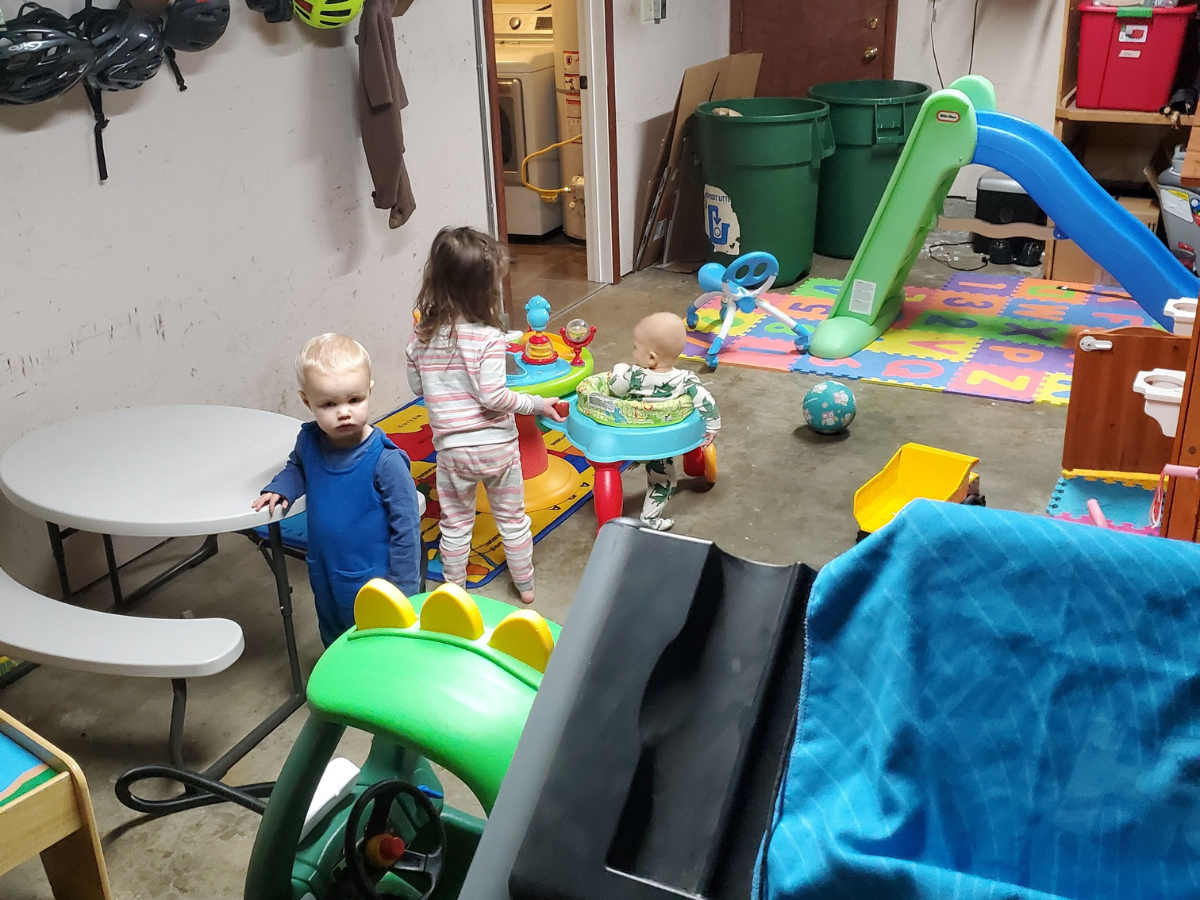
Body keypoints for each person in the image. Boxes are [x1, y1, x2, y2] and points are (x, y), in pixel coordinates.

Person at [406, 226, 565, 606]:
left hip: (453, 453)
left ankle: (454, 593)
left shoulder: (421, 338)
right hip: (496, 449)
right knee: (512, 520)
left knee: (456, 524)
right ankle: (526, 588)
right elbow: (494, 396)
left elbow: (417, 388)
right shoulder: (489, 338)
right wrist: (538, 404)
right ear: (484, 290)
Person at [253, 333, 422, 647]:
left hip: (374, 577)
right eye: (329, 404)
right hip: (325, 569)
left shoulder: (385, 462)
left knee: (376, 640)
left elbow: (407, 529)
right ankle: (339, 680)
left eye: (354, 400)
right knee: (333, 634)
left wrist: (405, 592)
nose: (344, 411)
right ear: (307, 402)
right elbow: (299, 467)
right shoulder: (309, 442)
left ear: (368, 392)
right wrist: (282, 488)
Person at [608, 311, 720, 532]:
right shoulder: (684, 380)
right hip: (663, 443)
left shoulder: (634, 376)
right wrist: (712, 426)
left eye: (634, 347)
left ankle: (634, 461)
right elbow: (706, 401)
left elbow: (615, 388)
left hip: (633, 437)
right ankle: (650, 518)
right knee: (663, 481)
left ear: (651, 358)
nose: (632, 353)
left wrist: (619, 369)